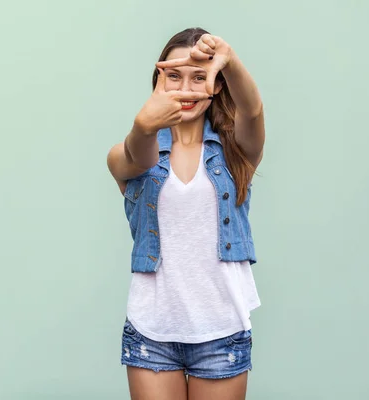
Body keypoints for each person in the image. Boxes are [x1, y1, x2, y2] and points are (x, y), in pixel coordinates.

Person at [106, 27, 265, 400]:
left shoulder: (236, 153)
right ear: (158, 80)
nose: (187, 89)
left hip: (222, 330)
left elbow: (253, 111)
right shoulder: (127, 153)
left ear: (217, 84)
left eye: (200, 76)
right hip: (152, 333)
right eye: (174, 75)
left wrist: (232, 62)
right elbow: (137, 155)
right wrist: (144, 125)